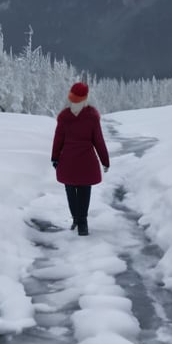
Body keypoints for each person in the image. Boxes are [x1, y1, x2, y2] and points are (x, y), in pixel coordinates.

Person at [51, 82, 110, 236]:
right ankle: (83, 223)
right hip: (87, 161)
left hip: (67, 161)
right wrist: (105, 161)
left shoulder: (64, 116)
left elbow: (58, 140)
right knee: (85, 190)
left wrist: (55, 157)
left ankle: (76, 219)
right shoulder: (92, 116)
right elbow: (98, 140)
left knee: (70, 189)